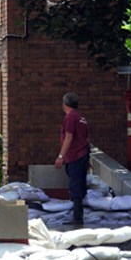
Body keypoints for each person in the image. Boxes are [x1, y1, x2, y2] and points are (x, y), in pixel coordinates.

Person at [53, 92, 90, 225]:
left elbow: (69, 136)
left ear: (64, 104)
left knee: (75, 187)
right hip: (82, 155)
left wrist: (61, 156)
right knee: (79, 185)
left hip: (75, 156)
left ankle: (77, 218)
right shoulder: (81, 117)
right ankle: (77, 215)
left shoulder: (71, 117)